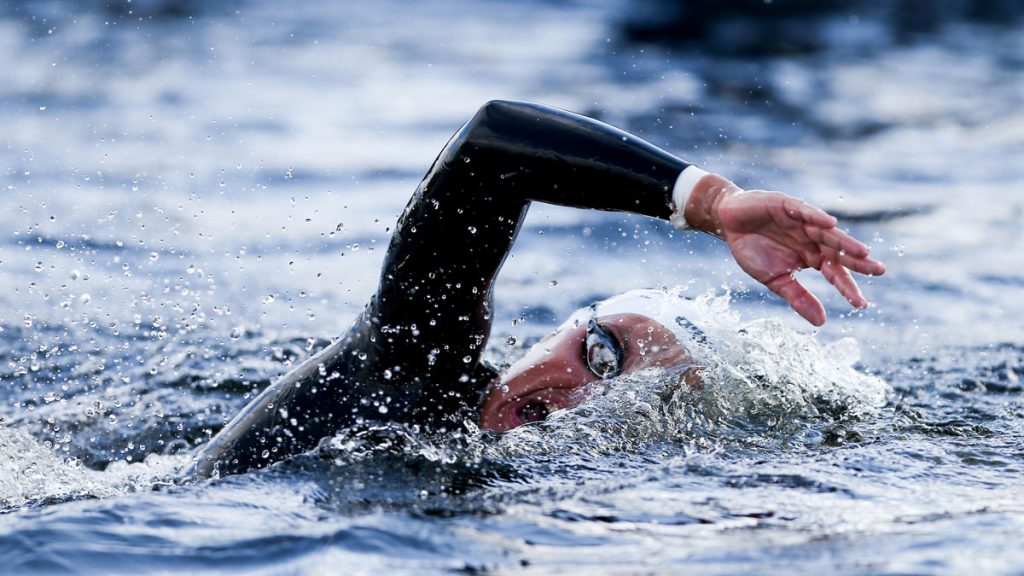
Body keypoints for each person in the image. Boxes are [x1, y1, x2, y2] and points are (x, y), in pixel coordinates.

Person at [189, 100, 885, 478]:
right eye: (603, 354)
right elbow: (492, 148)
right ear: (559, 332)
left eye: (627, 399)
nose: (581, 393)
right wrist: (709, 201)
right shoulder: (413, 372)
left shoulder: (555, 488)